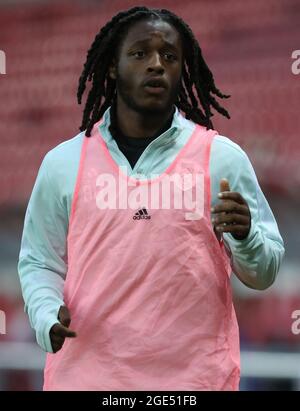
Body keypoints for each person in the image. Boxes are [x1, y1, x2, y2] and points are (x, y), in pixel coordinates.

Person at [18, 6, 284, 391]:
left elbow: (264, 272)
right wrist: (45, 316)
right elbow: (39, 261)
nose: (157, 65)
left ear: (183, 69)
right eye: (141, 54)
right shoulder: (64, 162)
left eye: (170, 56)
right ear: (112, 67)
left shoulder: (222, 159)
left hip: (194, 384)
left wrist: (246, 238)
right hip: (87, 379)